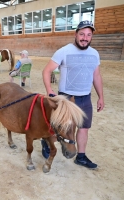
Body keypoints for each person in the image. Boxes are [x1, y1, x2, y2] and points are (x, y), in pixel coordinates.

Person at [41, 20, 105, 169]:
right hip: (66, 98)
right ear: (76, 34)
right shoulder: (64, 51)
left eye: (88, 35)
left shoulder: (94, 54)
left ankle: (81, 157)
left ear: (91, 37)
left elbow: (96, 76)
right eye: (82, 34)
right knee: (61, 128)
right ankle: (47, 142)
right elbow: (47, 71)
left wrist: (101, 96)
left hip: (85, 97)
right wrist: (49, 90)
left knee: (84, 128)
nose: (85, 37)